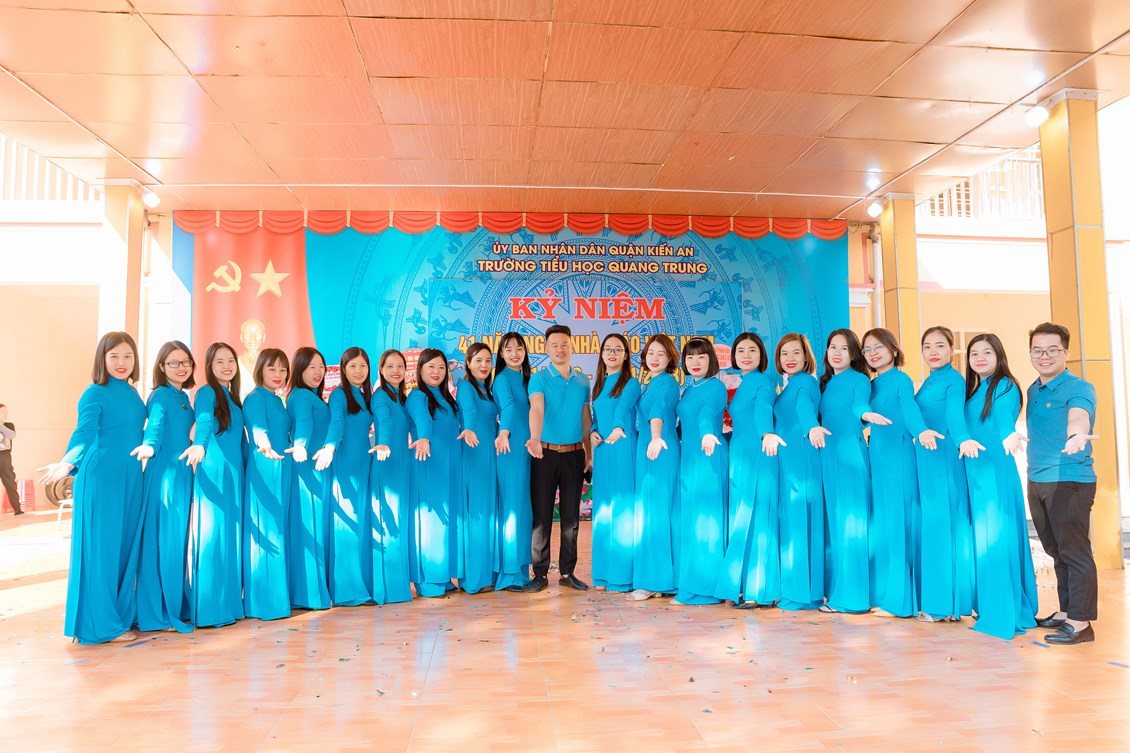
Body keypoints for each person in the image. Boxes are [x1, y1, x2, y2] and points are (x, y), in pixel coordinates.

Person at [39, 331, 146, 643]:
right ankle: (102, 625)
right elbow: (83, 433)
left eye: (128, 356)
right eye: (114, 356)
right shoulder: (94, 393)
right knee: (102, 550)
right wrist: (67, 463)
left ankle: (120, 615)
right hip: (102, 476)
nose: (122, 362)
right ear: (102, 359)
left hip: (131, 476)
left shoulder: (132, 392)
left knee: (124, 548)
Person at [1024, 322, 1099, 645]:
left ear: (1066, 352)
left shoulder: (1078, 387)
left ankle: (1081, 624)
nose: (1044, 356)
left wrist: (1077, 435)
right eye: (1038, 350)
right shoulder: (1034, 389)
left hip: (1069, 478)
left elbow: (1078, 416)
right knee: (1056, 551)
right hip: (1038, 478)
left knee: (1075, 552)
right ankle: (1068, 612)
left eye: (1052, 350)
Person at [962, 333, 1038, 640]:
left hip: (995, 473)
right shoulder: (974, 390)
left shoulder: (1005, 385)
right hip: (976, 473)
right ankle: (992, 604)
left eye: (987, 353)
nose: (979, 358)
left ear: (999, 356)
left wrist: (1009, 434)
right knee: (983, 541)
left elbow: (1004, 419)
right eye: (974, 353)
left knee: (996, 540)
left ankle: (1002, 612)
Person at [862, 328, 940, 619]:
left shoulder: (901, 380)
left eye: (879, 347)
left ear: (894, 350)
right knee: (884, 527)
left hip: (899, 457)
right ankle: (886, 594)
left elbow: (909, 408)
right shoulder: (872, 384)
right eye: (868, 349)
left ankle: (900, 602)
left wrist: (920, 431)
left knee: (898, 525)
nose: (873, 353)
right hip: (878, 458)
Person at [812, 329, 887, 614]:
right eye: (833, 347)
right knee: (837, 527)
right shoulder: (827, 383)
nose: (837, 353)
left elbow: (859, 404)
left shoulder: (859, 379)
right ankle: (840, 592)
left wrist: (865, 414)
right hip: (829, 458)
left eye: (844, 348)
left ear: (854, 354)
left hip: (850, 458)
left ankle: (852, 599)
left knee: (851, 527)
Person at [715, 332, 783, 608]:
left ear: (761, 354)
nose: (746, 355)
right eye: (741, 350)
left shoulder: (762, 381)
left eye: (752, 350)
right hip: (740, 454)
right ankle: (745, 586)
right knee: (743, 518)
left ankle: (759, 590)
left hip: (758, 452)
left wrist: (766, 432)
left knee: (758, 520)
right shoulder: (742, 382)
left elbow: (763, 409)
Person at [132, 341, 196, 633]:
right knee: (162, 543)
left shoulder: (182, 396)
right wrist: (148, 446)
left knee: (176, 543)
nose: (181, 367)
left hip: (182, 473)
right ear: (161, 366)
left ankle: (174, 604)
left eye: (185, 362)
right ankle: (158, 612)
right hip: (165, 476)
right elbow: (155, 427)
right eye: (174, 363)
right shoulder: (160, 395)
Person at [182, 341, 246, 628]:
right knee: (213, 538)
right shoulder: (207, 392)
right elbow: (205, 420)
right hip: (214, 470)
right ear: (209, 366)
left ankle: (229, 605)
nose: (226, 366)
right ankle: (210, 610)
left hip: (235, 474)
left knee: (229, 537)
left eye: (230, 360)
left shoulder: (233, 397)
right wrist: (200, 445)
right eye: (219, 361)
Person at [525, 325, 593, 593]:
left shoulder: (582, 381)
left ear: (572, 347)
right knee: (542, 516)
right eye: (554, 345)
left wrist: (589, 453)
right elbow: (537, 408)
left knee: (570, 517)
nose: (560, 349)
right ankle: (540, 574)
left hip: (574, 455)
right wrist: (534, 437)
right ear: (546, 349)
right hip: (544, 453)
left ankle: (567, 572)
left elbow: (585, 418)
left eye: (564, 344)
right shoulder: (539, 379)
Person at [915, 327, 975, 623]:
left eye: (940, 345)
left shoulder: (953, 379)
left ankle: (944, 606)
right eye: (927, 346)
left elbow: (954, 413)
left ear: (952, 349)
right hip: (927, 459)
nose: (933, 351)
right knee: (936, 526)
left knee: (944, 527)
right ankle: (946, 604)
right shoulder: (929, 380)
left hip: (943, 459)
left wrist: (963, 439)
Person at [672, 337, 727, 605]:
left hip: (709, 455)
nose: (695, 361)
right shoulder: (688, 388)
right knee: (692, 521)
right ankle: (691, 584)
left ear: (711, 360)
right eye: (690, 357)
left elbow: (708, 412)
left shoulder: (716, 387)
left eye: (701, 356)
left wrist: (706, 433)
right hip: (690, 458)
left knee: (708, 521)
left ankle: (707, 589)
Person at [772, 334, 823, 610]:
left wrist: (810, 426)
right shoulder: (790, 384)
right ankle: (797, 589)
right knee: (794, 521)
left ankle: (803, 594)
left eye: (796, 353)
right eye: (784, 354)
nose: (790, 359)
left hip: (801, 455)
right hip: (789, 456)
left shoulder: (804, 382)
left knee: (801, 521)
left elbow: (804, 407)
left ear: (806, 357)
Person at [319, 347, 374, 606]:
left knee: (359, 523)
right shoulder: (339, 394)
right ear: (343, 369)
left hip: (364, 462)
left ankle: (359, 585)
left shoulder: (363, 395)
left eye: (363, 365)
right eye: (353, 366)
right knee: (347, 526)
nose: (358, 370)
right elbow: (336, 422)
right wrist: (330, 447)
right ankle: (347, 591)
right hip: (345, 463)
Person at [406, 348, 462, 597]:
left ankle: (444, 575)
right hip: (428, 461)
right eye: (431, 367)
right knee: (431, 520)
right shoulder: (418, 396)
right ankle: (429, 579)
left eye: (441, 367)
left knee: (447, 520)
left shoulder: (447, 397)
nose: (437, 372)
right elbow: (423, 420)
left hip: (449, 464)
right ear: (420, 370)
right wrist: (424, 439)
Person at [242, 348, 294, 621]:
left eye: (283, 369)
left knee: (277, 529)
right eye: (272, 368)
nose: (278, 374)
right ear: (260, 368)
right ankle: (265, 603)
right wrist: (264, 444)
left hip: (281, 466)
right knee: (268, 531)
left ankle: (277, 599)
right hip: (265, 465)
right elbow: (258, 428)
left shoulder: (277, 399)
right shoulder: (255, 398)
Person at [628, 334, 680, 601]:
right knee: (651, 511)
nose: (655, 358)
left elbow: (658, 411)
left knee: (657, 512)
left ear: (670, 358)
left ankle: (655, 581)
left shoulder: (667, 383)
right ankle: (661, 580)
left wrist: (656, 437)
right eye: (651, 353)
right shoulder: (649, 383)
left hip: (659, 448)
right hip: (646, 448)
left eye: (661, 353)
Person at [589, 333, 640, 593]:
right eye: (608, 349)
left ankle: (622, 576)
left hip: (622, 447)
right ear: (601, 354)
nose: (612, 353)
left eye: (618, 349)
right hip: (603, 451)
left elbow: (623, 409)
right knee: (603, 511)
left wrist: (618, 427)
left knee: (622, 509)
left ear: (626, 355)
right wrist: (592, 432)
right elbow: (597, 417)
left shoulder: (631, 382)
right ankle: (603, 575)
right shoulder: (598, 384)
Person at [285, 347, 332, 611]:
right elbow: (304, 423)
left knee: (313, 527)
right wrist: (301, 445)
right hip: (307, 467)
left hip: (316, 467)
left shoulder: (312, 395)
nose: (317, 372)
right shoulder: (302, 395)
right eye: (311, 366)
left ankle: (310, 592)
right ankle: (311, 594)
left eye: (321, 366)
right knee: (310, 527)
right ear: (299, 369)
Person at [369, 348, 414, 605]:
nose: (395, 371)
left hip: (403, 464)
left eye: (400, 366)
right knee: (389, 524)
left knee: (400, 522)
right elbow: (384, 422)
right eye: (390, 367)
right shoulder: (380, 396)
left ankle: (399, 585)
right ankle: (388, 589)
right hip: (386, 462)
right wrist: (384, 442)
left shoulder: (401, 397)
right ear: (381, 371)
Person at [456, 343, 499, 595]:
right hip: (475, 453)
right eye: (478, 360)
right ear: (468, 363)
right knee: (477, 515)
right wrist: (470, 428)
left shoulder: (486, 389)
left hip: (490, 454)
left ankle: (486, 574)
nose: (484, 365)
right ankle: (475, 579)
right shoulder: (466, 387)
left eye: (488, 361)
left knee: (487, 514)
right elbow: (469, 412)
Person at [492, 332, 533, 592]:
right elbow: (508, 407)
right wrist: (504, 432)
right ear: (501, 354)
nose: (514, 354)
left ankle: (521, 570)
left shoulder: (528, 379)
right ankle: (509, 574)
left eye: (519, 349)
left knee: (524, 510)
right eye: (508, 349)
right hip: (509, 447)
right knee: (512, 509)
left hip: (529, 450)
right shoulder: (502, 379)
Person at [0, 404, 22, 515]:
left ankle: (17, 508)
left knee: (10, 482)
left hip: (5, 456)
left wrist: (0, 425)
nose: (5, 414)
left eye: (6, 412)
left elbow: (12, 435)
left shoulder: (9, 425)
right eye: (2, 412)